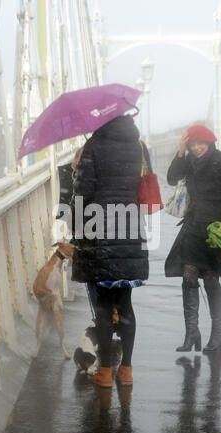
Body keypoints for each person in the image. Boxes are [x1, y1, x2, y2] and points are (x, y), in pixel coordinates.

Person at [70, 114, 152, 387]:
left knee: (105, 308)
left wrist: (75, 225)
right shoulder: (138, 145)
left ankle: (105, 372)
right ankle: (126, 370)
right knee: (125, 305)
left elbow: (83, 192)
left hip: (100, 231)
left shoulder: (94, 145)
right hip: (130, 228)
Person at [165, 124, 221, 353]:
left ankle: (217, 332)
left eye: (200, 144)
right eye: (193, 144)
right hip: (194, 226)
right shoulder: (188, 161)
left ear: (210, 143)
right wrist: (180, 150)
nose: (197, 148)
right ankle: (192, 332)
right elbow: (172, 178)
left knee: (211, 279)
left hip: (216, 228)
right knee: (188, 277)